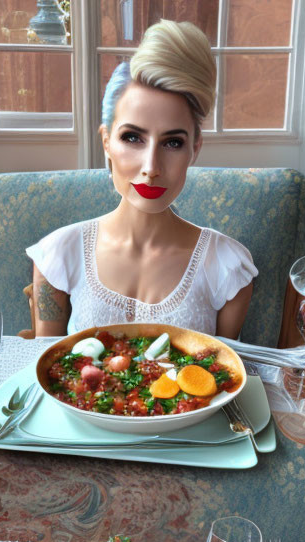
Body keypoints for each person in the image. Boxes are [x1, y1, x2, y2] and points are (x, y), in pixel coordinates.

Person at [27, 19, 257, 338]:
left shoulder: (227, 267)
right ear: (106, 141)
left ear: (195, 148)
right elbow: (44, 370)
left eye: (173, 143)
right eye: (133, 138)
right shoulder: (59, 255)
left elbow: (227, 379)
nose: (151, 167)